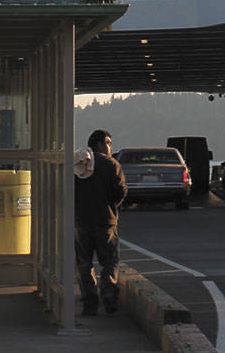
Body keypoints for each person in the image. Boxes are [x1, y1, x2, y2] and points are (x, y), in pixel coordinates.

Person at [74, 129, 127, 316]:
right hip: (106, 221)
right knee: (110, 261)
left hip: (81, 221)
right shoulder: (111, 165)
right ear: (98, 144)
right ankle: (109, 295)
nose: (110, 146)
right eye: (108, 143)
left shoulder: (78, 164)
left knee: (84, 263)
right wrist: (112, 206)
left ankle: (90, 301)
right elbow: (120, 192)